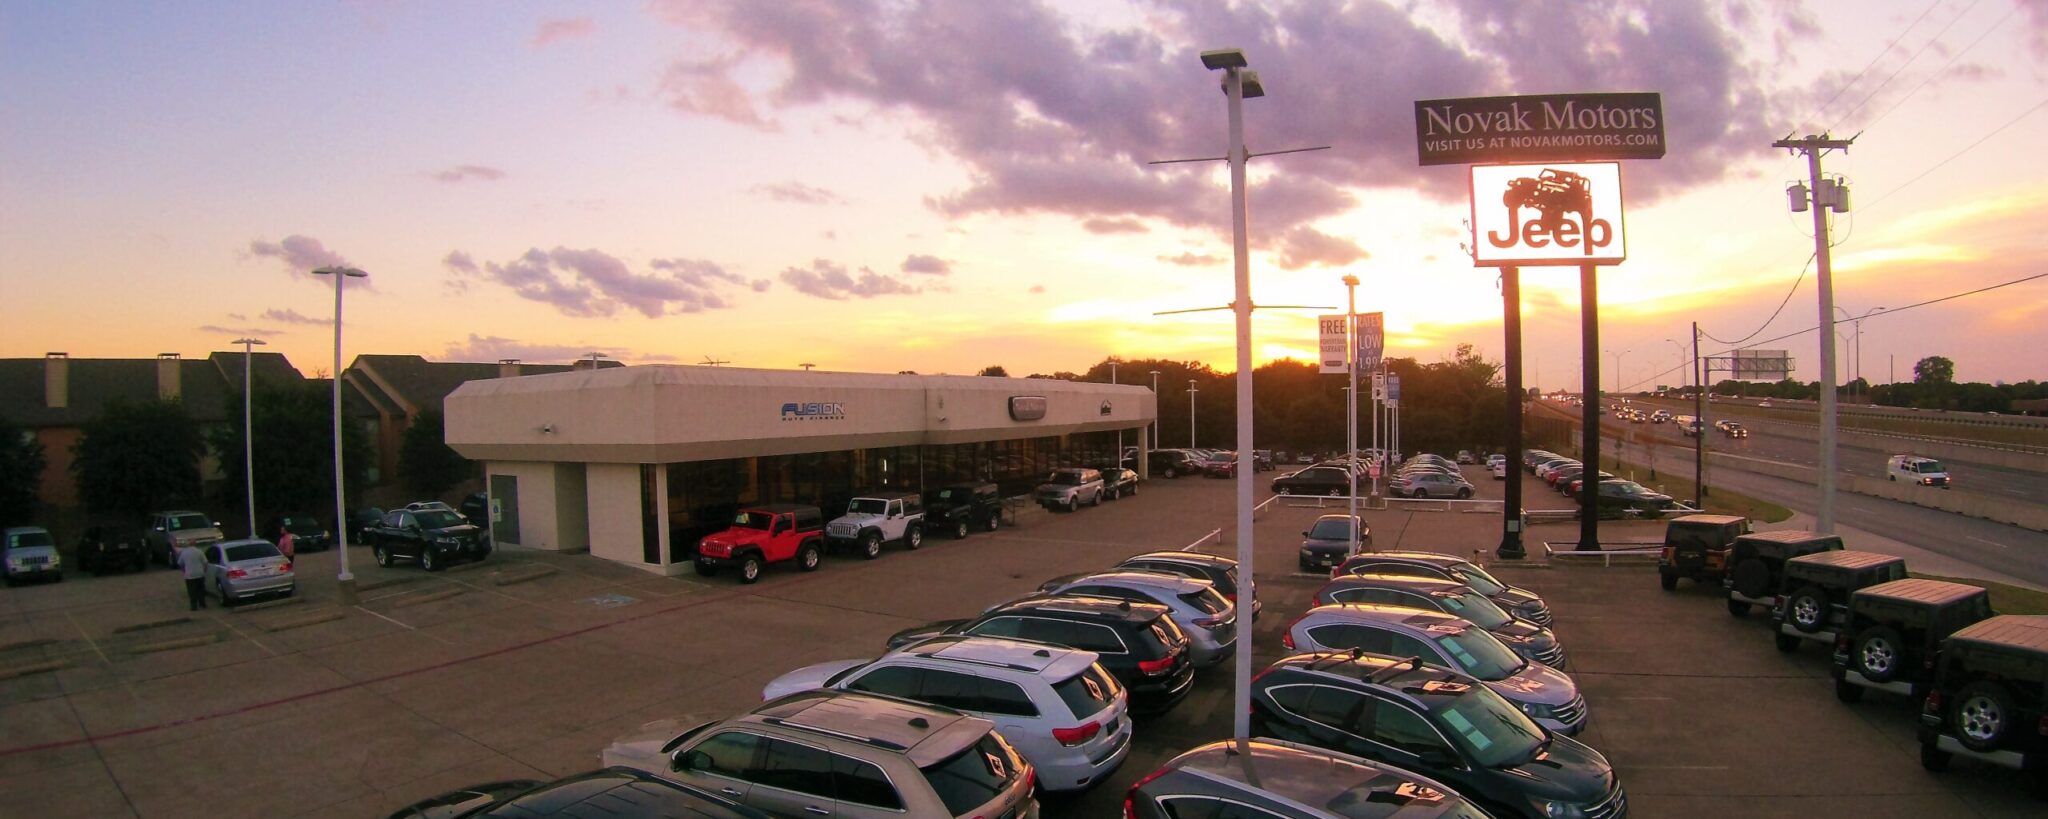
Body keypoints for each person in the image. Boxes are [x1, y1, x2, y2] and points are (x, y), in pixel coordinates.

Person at [177, 541, 207, 611]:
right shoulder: (199, 551)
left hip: (189, 575)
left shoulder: (184, 553)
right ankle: (202, 603)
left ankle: (193, 606)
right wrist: (204, 571)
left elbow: (180, 563)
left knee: (191, 591)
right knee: (201, 589)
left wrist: (184, 571)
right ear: (195, 544)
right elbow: (205, 562)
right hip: (199, 574)